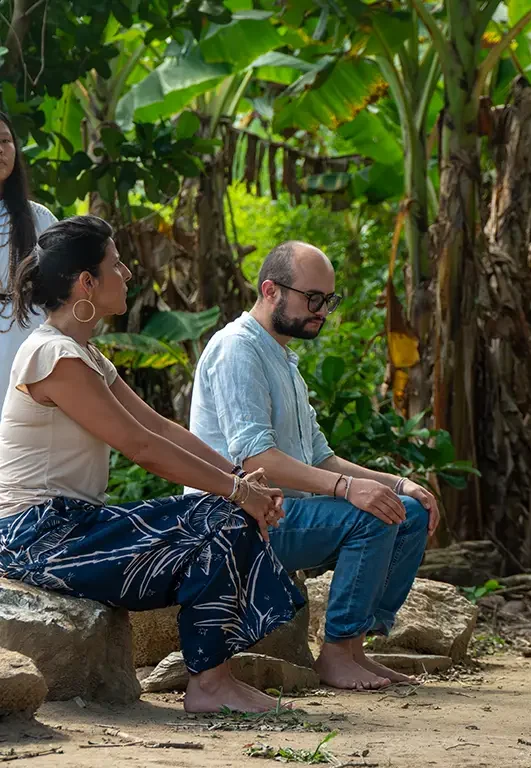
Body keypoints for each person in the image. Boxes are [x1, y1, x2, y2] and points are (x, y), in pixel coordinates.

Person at [0, 215, 305, 713]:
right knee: (224, 514)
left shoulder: (85, 354)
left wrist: (239, 479)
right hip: (37, 536)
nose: (128, 275)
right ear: (87, 283)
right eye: (117, 266)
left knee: (226, 510)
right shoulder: (53, 356)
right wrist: (237, 493)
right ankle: (209, 684)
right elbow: (140, 447)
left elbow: (161, 428)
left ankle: (213, 677)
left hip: (73, 525)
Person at [188, 241, 440, 691]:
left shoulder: (284, 359)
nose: (323, 310)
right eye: (313, 298)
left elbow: (320, 457)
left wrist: (400, 483)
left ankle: (356, 649)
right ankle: (337, 653)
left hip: (286, 515)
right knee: (370, 514)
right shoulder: (237, 349)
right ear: (271, 291)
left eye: (329, 300)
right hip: (237, 522)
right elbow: (256, 460)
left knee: (408, 510)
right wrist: (347, 489)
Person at [0, 113, 58, 409]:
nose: (0, 149)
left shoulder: (39, 218)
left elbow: (64, 284)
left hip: (28, 339)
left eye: (5, 141)